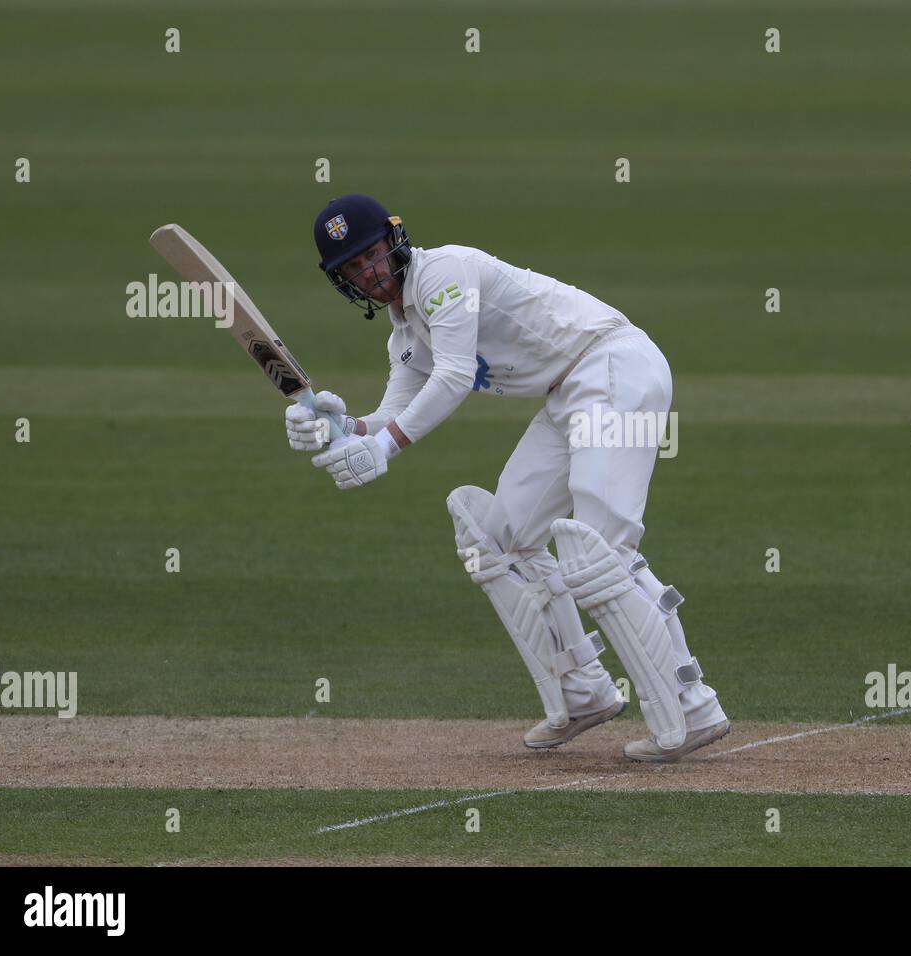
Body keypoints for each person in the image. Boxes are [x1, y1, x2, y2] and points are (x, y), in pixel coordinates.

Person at [288, 194, 729, 762]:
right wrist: (342, 426)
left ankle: (692, 706)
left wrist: (384, 446)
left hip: (614, 366)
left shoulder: (443, 273)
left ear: (393, 241)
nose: (367, 272)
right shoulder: (404, 336)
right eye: (352, 267)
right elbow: (396, 410)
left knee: (599, 553)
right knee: (498, 539)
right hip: (568, 392)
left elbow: (448, 380)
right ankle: (584, 692)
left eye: (370, 254)